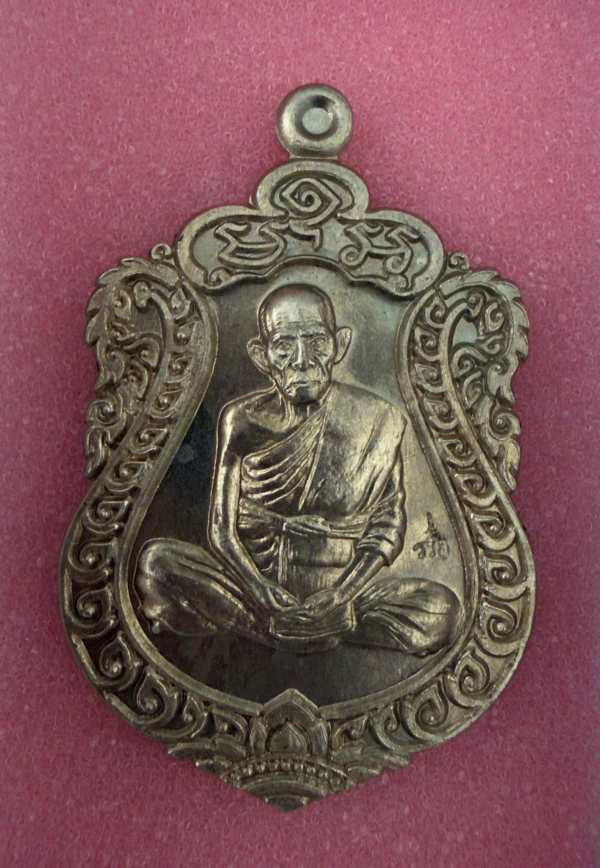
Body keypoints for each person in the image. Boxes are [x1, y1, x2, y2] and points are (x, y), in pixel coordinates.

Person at [136, 283, 462, 654]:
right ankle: (299, 629)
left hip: (342, 582)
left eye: (317, 342)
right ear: (262, 356)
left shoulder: (380, 419)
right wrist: (261, 590)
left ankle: (278, 628)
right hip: (256, 583)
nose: (302, 359)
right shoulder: (241, 420)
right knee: (157, 565)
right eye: (284, 346)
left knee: (441, 611)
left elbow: (388, 524)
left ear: (339, 345)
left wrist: (343, 593)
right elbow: (221, 530)